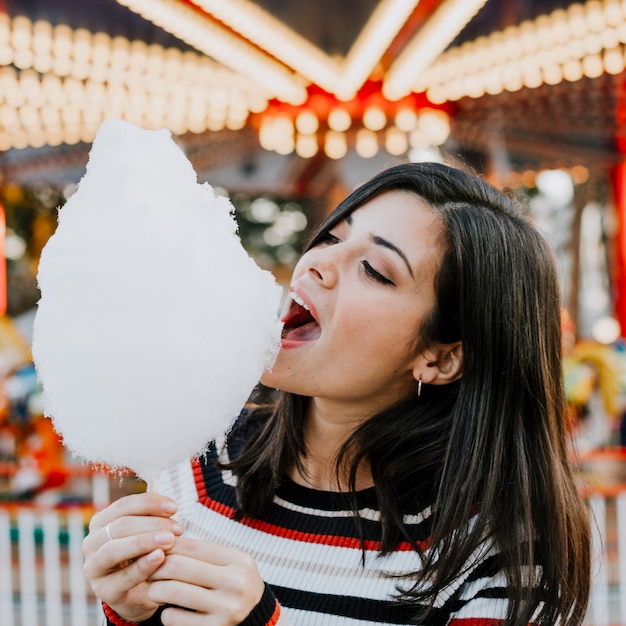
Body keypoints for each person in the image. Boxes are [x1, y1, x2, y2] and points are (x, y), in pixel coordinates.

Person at [83, 162, 591, 626]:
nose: (315, 264)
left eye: (374, 270)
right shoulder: (196, 458)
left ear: (439, 357)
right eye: (330, 237)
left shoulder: (501, 553)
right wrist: (132, 615)